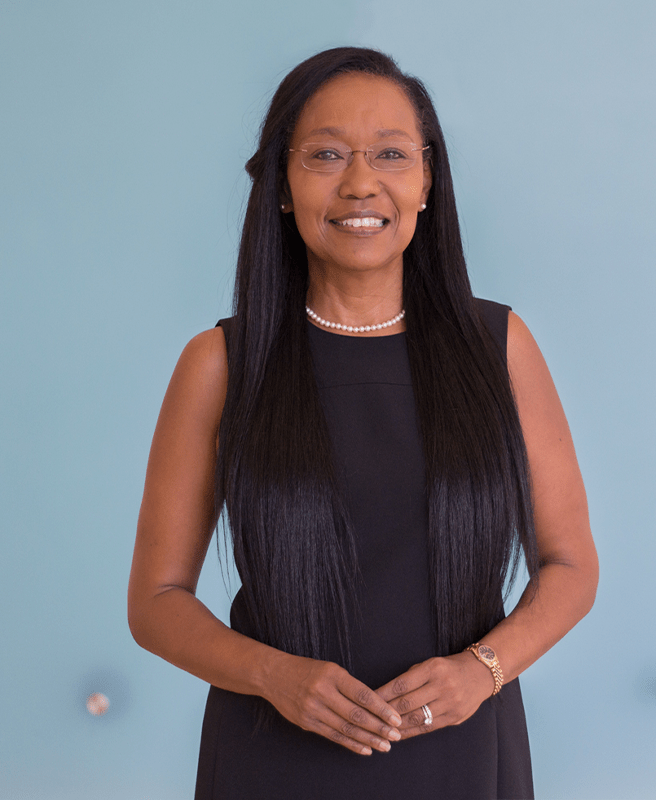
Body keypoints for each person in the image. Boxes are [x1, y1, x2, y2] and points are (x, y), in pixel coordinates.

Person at [127, 46, 598, 799]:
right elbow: (155, 603)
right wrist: (274, 675)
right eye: (325, 154)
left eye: (390, 153)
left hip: (463, 750)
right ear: (282, 184)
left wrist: (481, 673)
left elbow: (571, 566)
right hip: (271, 757)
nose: (360, 183)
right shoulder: (219, 363)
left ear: (426, 180)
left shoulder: (499, 348)